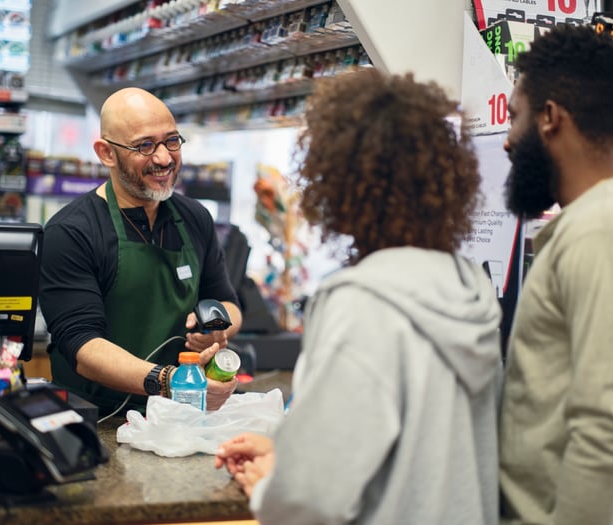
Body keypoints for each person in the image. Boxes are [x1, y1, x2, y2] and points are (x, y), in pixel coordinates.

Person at [215, 68, 503, 525]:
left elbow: (310, 501)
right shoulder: (467, 288)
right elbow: (416, 445)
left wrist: (272, 486)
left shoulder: (362, 303)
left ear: (339, 183)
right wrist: (289, 446)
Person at [499, 24, 613, 525]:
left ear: (551, 118)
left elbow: (608, 430)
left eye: (516, 117)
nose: (509, 141)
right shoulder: (594, 224)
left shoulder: (604, 230)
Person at [38, 87, 242, 417]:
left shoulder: (195, 218)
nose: (163, 158)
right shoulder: (71, 232)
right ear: (106, 153)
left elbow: (230, 303)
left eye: (171, 141)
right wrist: (167, 381)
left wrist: (216, 328)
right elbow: (83, 345)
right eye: (145, 145)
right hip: (97, 422)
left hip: (179, 415)